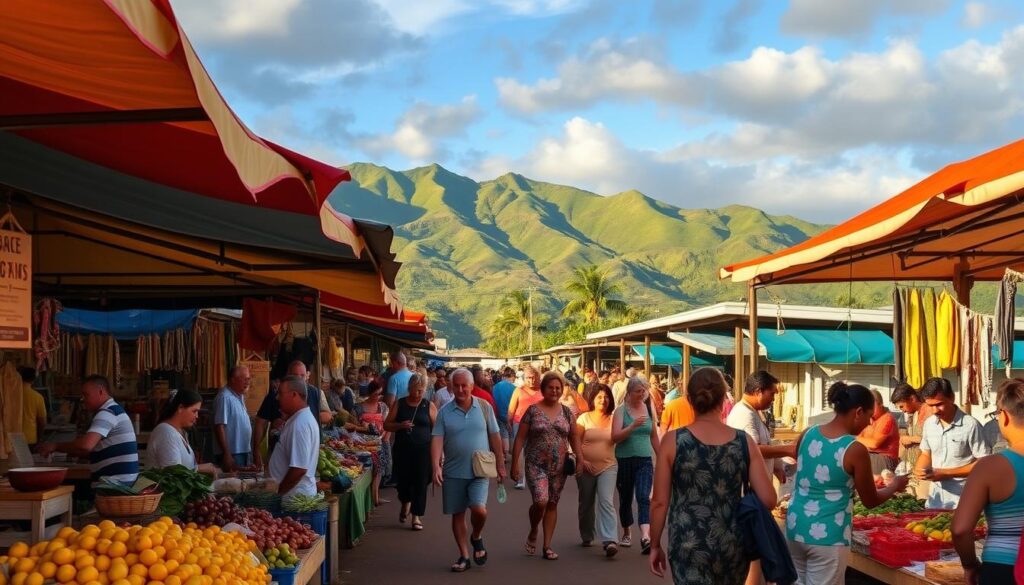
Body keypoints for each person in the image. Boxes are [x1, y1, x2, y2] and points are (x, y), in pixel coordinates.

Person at [648, 367, 777, 584]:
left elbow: (659, 502)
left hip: (687, 542)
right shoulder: (744, 442)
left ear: (689, 399)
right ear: (723, 400)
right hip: (732, 544)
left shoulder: (673, 441)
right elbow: (769, 499)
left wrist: (654, 545)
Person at [787, 382, 910, 585]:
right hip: (828, 536)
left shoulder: (808, 433)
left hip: (795, 527)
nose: (869, 423)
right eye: (869, 417)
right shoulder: (854, 449)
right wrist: (894, 485)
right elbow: (870, 500)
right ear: (858, 412)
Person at [431, 368, 506, 573]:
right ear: (451, 387)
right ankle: (464, 555)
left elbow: (495, 436)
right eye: (457, 385)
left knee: (479, 509)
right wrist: (435, 465)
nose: (461, 389)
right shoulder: (444, 412)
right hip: (453, 471)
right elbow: (437, 439)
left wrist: (501, 464)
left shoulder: (484, 407)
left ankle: (476, 536)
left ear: (472, 386)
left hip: (479, 470)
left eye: (465, 385)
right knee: (457, 514)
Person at [952, 378, 1024, 585]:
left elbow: (960, 529)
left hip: (1003, 568)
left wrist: (969, 564)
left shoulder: (990, 466)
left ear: (1005, 416)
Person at [511, 371, 583, 561]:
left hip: (559, 466)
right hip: (536, 464)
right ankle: (534, 529)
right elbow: (520, 438)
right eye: (550, 387)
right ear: (543, 389)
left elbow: (574, 437)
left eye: (558, 388)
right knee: (541, 500)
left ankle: (547, 545)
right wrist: (515, 464)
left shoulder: (567, 412)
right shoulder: (533, 411)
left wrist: (580, 459)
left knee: (552, 503)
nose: (554, 391)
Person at [38, 375, 138, 485]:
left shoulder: (107, 413)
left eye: (86, 394)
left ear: (100, 391)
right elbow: (88, 449)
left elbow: (86, 445)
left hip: (115, 485)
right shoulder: (114, 410)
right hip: (121, 482)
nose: (82, 399)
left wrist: (55, 446)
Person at [914, 376, 991, 509]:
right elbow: (926, 453)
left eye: (939, 404)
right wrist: (920, 469)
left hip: (964, 502)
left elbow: (984, 464)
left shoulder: (971, 425)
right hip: (935, 501)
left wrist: (946, 473)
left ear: (951, 398)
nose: (935, 410)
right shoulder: (929, 424)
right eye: (930, 405)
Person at [611, 376, 660, 553]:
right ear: (629, 393)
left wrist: (662, 456)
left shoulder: (648, 409)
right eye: (638, 391)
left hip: (644, 459)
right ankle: (626, 531)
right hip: (624, 459)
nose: (641, 394)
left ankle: (645, 536)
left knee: (643, 496)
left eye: (644, 391)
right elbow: (615, 437)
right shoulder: (620, 411)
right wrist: (631, 427)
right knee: (625, 498)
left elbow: (653, 436)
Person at [253, 361, 331, 468]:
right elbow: (260, 422)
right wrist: (256, 449)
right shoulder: (275, 394)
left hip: (310, 449)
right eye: (295, 375)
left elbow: (328, 415)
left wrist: (305, 421)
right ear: (288, 375)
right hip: (279, 450)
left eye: (302, 375)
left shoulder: (316, 393)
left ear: (307, 376)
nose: (299, 378)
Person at [385, 372, 437, 531]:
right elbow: (387, 425)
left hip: (423, 451)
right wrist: (400, 426)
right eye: (415, 390)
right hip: (403, 451)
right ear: (409, 388)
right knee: (403, 482)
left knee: (421, 483)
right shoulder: (399, 404)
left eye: (421, 390)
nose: (417, 394)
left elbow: (437, 431)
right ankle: (405, 502)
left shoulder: (429, 406)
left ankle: (416, 516)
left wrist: (439, 454)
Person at [575, 385, 619, 557]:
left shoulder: (614, 419)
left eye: (606, 397)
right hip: (585, 467)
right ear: (593, 399)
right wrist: (581, 460)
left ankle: (610, 540)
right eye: (600, 397)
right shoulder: (584, 418)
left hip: (608, 466)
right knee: (586, 503)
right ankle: (587, 535)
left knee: (606, 501)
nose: (603, 400)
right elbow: (575, 440)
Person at [728, 371, 789, 485]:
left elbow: (763, 446)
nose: (773, 399)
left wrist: (776, 466)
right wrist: (788, 450)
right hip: (749, 491)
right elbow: (753, 450)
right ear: (758, 392)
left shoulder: (753, 411)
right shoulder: (743, 414)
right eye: (772, 394)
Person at [269, 376, 320, 498]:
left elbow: (299, 469)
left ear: (294, 395)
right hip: (294, 496)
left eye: (280, 393)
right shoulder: (300, 419)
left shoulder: (300, 424)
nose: (277, 398)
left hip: (293, 498)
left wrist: (279, 493)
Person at [146, 389, 218, 475]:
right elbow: (173, 473)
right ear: (180, 408)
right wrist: (199, 468)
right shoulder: (166, 433)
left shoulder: (180, 432)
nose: (197, 416)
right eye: (194, 411)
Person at [891, 382, 935, 497]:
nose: (903, 410)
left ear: (912, 398)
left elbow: (936, 438)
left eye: (902, 406)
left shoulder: (929, 411)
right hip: (915, 471)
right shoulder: (914, 414)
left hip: (928, 471)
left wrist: (911, 439)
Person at [354, 381, 391, 506]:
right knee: (367, 470)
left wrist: (384, 438)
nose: (379, 396)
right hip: (362, 444)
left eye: (381, 394)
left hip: (380, 442)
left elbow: (387, 424)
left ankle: (375, 497)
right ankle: (371, 499)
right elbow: (352, 424)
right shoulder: (358, 408)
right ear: (370, 394)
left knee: (379, 470)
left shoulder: (383, 407)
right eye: (377, 394)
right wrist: (364, 427)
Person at [508, 366, 544, 490]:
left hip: (538, 424)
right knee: (519, 452)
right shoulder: (518, 390)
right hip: (519, 423)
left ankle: (536, 477)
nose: (531, 380)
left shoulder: (543, 390)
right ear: (524, 378)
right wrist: (509, 423)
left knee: (536, 450)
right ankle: (520, 478)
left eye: (534, 377)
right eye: (529, 378)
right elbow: (511, 410)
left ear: (538, 377)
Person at [214, 365, 253, 472]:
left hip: (242, 451)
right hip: (232, 453)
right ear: (233, 380)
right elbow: (219, 426)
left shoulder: (238, 396)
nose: (248, 382)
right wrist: (227, 453)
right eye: (244, 379)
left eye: (249, 379)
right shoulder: (224, 397)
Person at [858, 388, 901, 473]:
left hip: (885, 458)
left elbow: (874, 443)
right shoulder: (869, 419)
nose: (869, 409)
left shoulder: (887, 418)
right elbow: (859, 438)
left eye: (871, 406)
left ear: (880, 404)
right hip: (871, 456)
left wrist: (856, 439)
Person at [491, 369, 517, 457]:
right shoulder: (514, 388)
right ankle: (512, 453)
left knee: (503, 433)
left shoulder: (495, 387)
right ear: (512, 377)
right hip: (511, 416)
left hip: (498, 415)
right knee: (511, 433)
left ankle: (504, 454)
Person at [18, 367, 46, 448]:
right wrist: (40, 438)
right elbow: (42, 422)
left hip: (12, 438)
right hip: (30, 438)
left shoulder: (10, 395)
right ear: (33, 380)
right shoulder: (38, 397)